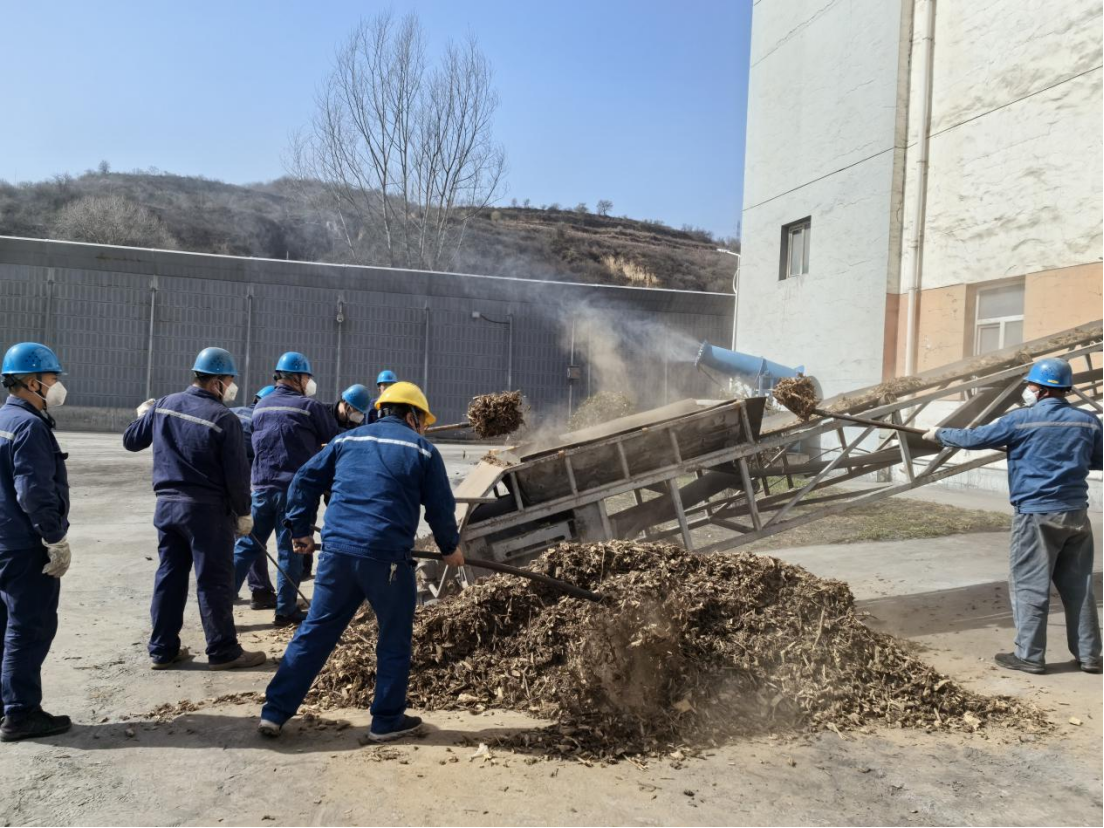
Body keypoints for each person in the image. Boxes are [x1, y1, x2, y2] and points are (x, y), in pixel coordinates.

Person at [257, 381, 464, 741]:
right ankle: (386, 721)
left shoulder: (346, 440)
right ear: (412, 417)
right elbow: (441, 508)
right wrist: (450, 548)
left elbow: (303, 480)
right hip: (386, 559)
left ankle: (274, 712)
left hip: (336, 553)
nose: (423, 428)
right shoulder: (423, 451)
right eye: (423, 421)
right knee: (394, 636)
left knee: (316, 630)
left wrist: (300, 530)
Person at [924, 357, 1103, 675]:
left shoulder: (1021, 420)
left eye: (1030, 385)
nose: (1028, 390)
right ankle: (1089, 655)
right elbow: (1099, 460)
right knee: (1079, 586)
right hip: (1076, 515)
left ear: (1042, 389)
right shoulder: (1088, 421)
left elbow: (974, 439)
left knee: (1030, 585)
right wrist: (1066, 455)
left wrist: (939, 433)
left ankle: (1029, 656)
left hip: (1036, 515)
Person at [123, 347, 265, 671]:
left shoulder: (164, 404)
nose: (232, 387)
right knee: (214, 580)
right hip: (206, 513)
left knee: (169, 577)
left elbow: (131, 441)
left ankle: (163, 650)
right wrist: (244, 512)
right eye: (230, 380)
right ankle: (223, 651)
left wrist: (145, 416)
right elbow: (236, 474)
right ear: (217, 382)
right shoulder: (224, 418)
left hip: (167, 507)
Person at [233, 353, 339, 626]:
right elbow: (335, 440)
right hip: (294, 491)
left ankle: (219, 603)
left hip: (260, 487)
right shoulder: (309, 407)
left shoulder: (261, 406)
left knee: (247, 546)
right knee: (290, 550)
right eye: (307, 377)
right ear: (297, 378)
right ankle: (285, 610)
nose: (309, 382)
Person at [0, 343, 72, 741]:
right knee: (30, 627)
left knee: (5, 625)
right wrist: (54, 538)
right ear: (33, 382)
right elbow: (34, 491)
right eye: (52, 378)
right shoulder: (29, 426)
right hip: (24, 545)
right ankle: (21, 712)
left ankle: (5, 703)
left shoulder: (4, 419)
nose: (57, 385)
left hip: (3, 539)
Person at [231, 385, 277, 609]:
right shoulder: (260, 422)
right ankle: (260, 591)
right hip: (243, 486)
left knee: (236, 541)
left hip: (214, 488)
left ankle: (223, 591)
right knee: (251, 538)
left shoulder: (233, 412)